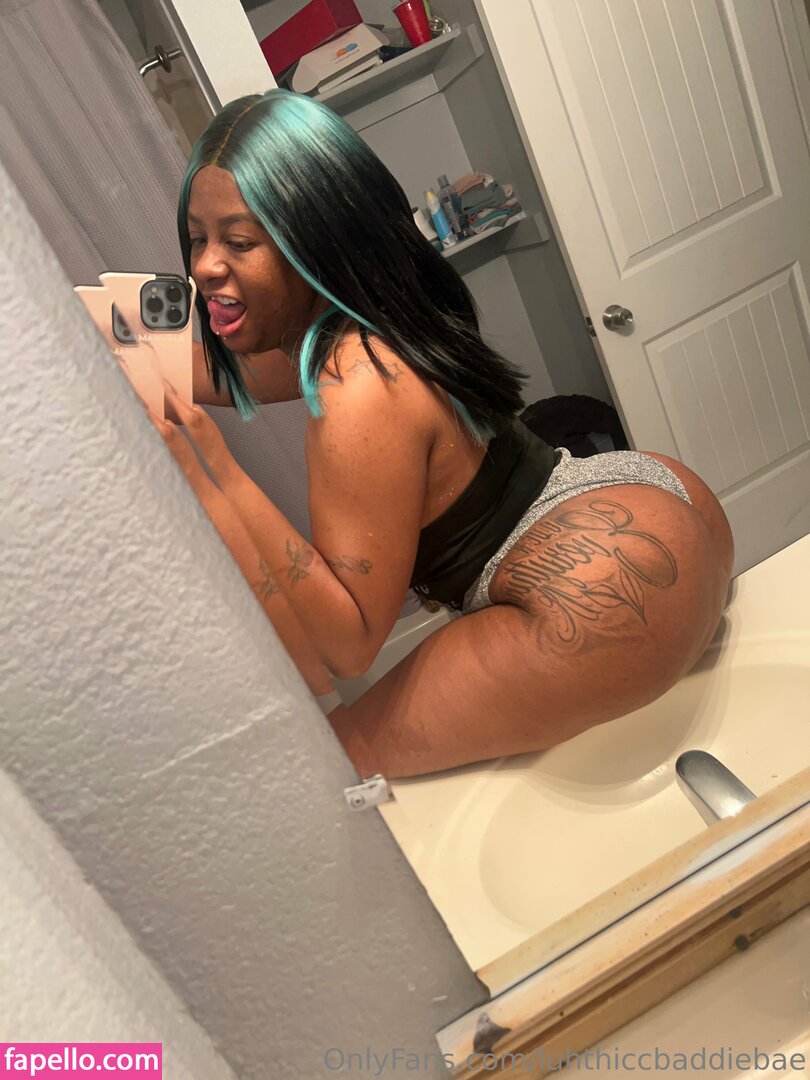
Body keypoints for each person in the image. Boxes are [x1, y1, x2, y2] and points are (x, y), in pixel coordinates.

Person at [149, 89, 734, 781]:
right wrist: (86, 319)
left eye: (239, 241)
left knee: (331, 766)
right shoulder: (375, 315)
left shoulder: (356, 385)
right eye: (197, 237)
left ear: (316, 237)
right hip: (637, 495)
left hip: (597, 588)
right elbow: (196, 367)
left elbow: (351, 645)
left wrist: (213, 472)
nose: (204, 266)